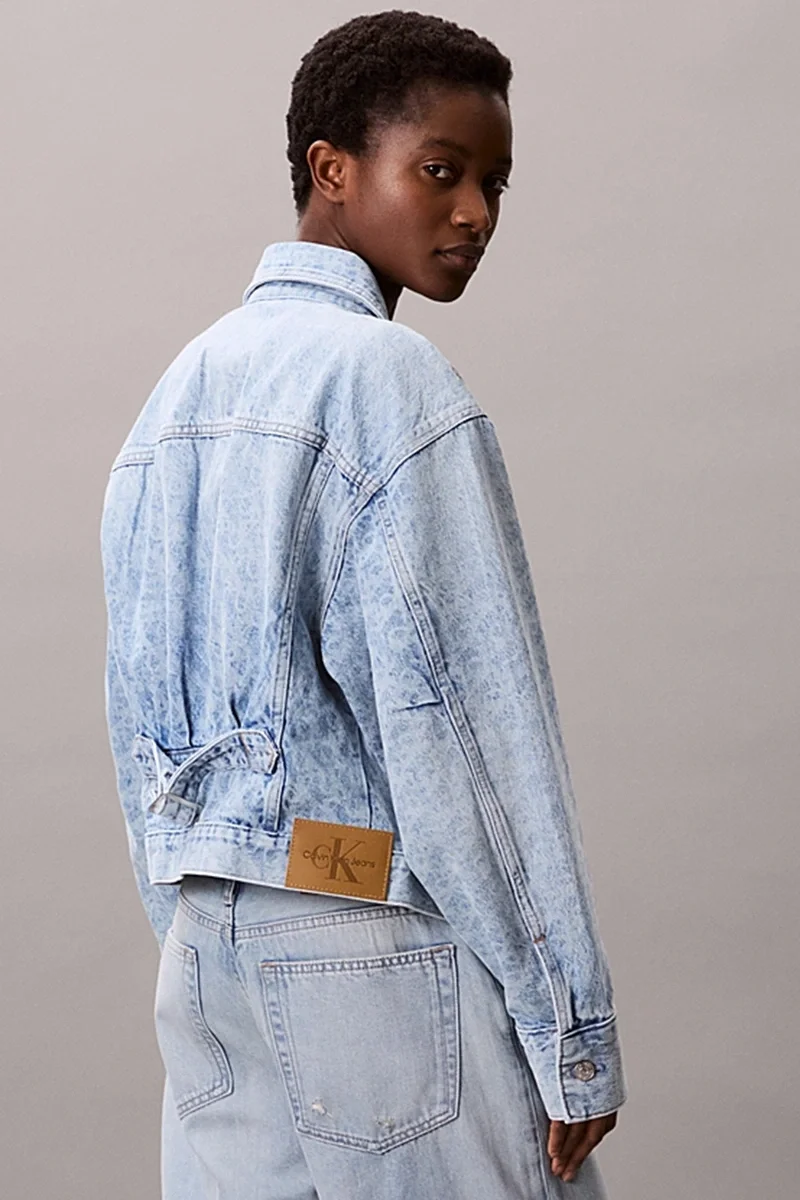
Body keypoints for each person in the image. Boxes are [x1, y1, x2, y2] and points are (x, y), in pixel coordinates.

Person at [100, 10, 627, 1198]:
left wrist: (194, 922)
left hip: (208, 960)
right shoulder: (388, 380)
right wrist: (568, 1026)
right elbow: (467, 737)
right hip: (376, 957)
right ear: (330, 170)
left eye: (493, 182)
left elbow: (135, 723)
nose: (475, 212)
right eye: (438, 171)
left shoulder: (173, 397)